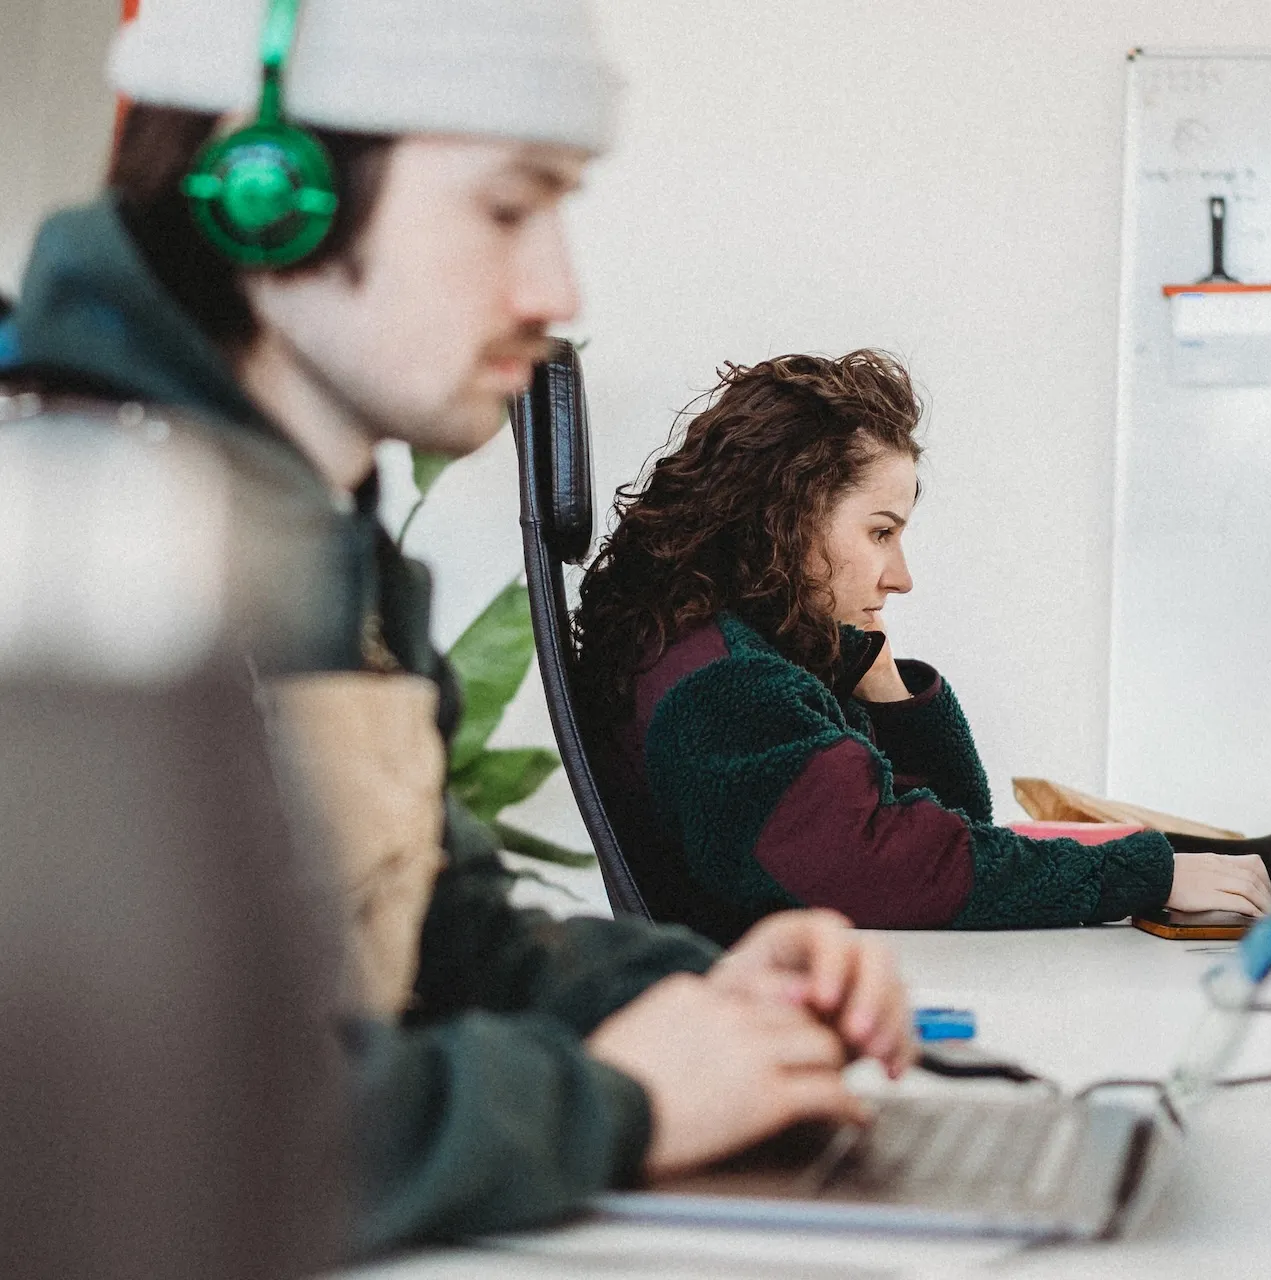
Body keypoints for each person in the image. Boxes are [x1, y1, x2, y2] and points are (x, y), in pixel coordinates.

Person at [0, 0, 913, 1258]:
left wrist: (704, 994)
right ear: (273, 193)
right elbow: (135, 1132)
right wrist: (624, 1098)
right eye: (504, 208)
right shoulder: (54, 550)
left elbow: (450, 935)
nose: (558, 288)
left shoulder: (318, 542)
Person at [571, 351, 1271, 945]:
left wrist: (881, 683)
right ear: (785, 517)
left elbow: (953, 824)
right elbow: (897, 865)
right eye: (881, 532)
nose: (900, 577)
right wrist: (1154, 874)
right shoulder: (726, 691)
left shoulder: (710, 651)